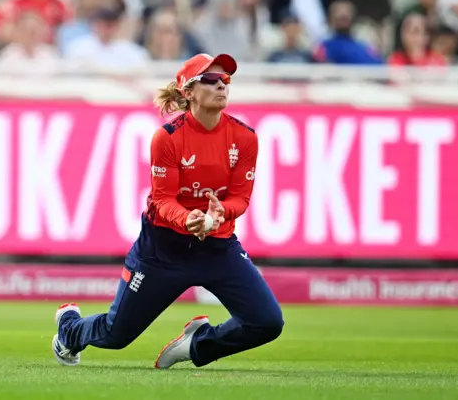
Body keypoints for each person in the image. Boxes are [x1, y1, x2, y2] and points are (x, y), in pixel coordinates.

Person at [52, 53, 284, 369]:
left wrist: (217, 216)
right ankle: (69, 327)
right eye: (211, 80)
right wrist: (188, 218)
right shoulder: (169, 137)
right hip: (163, 250)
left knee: (268, 322)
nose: (221, 86)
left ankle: (197, 344)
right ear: (188, 92)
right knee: (115, 334)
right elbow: (163, 200)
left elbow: (240, 199)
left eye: (225, 80)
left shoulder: (245, 137)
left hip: (218, 247)